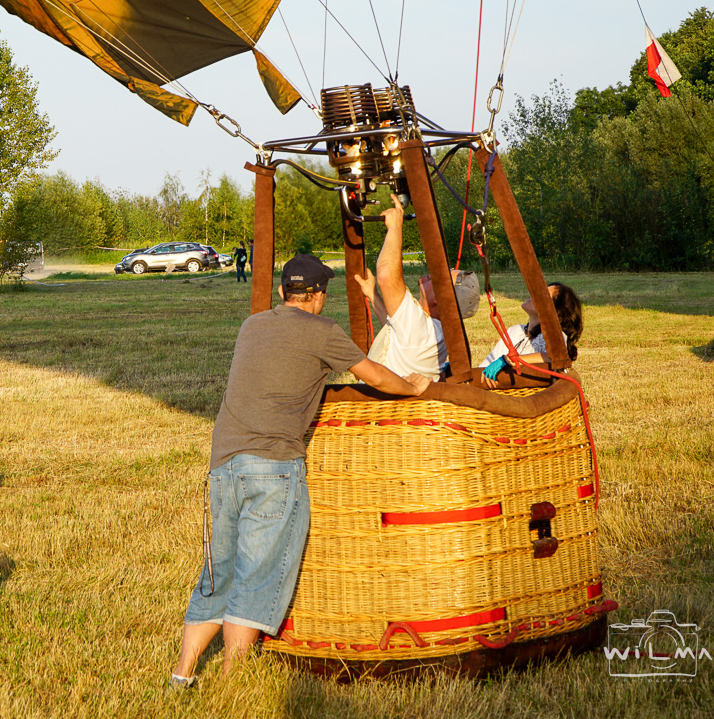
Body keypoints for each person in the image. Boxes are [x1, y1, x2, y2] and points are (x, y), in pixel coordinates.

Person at [170, 255, 429, 687]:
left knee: (219, 571)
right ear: (320, 296)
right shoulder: (322, 332)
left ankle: (182, 673)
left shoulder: (252, 325)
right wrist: (415, 387)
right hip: (272, 464)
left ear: (281, 293)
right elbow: (377, 377)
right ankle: (233, 680)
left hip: (222, 465)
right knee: (256, 576)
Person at [354, 197, 480, 381]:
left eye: (440, 279)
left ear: (441, 301)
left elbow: (386, 276)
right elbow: (396, 328)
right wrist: (373, 296)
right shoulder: (434, 330)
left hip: (380, 405)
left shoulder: (422, 328)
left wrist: (395, 227)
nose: (433, 274)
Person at [480, 282, 583, 388]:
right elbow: (485, 367)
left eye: (543, 295)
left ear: (554, 310)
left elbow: (556, 357)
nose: (534, 295)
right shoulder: (515, 331)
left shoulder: (555, 336)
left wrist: (511, 360)